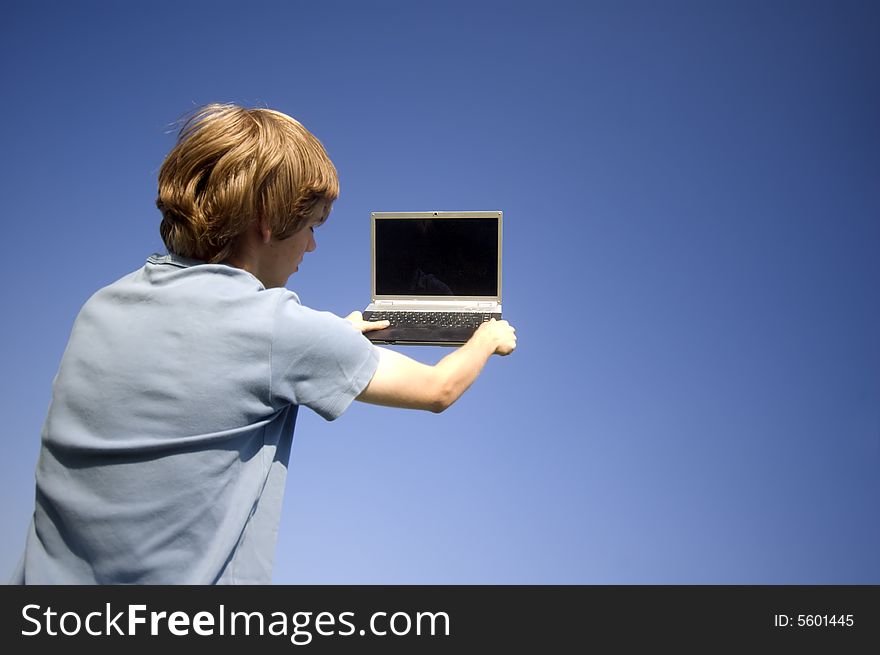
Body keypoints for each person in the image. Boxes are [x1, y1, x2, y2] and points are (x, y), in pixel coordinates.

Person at [11, 103, 516, 584]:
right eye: (313, 226)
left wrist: (328, 334)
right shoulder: (280, 330)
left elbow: (209, 356)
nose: (313, 246)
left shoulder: (103, 304)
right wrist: (488, 337)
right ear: (270, 221)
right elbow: (437, 389)